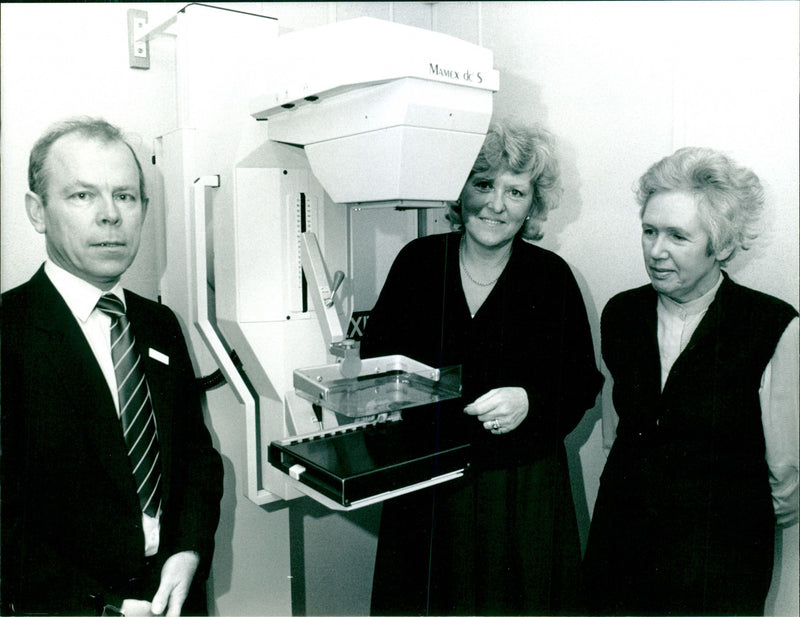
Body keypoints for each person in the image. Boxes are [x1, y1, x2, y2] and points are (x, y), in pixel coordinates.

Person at [361, 120, 602, 616]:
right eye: (483, 184)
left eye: (515, 191)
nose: (496, 204)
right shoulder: (418, 262)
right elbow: (376, 358)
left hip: (518, 492)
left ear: (532, 205)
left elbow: (581, 382)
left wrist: (530, 400)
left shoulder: (551, 278)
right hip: (425, 486)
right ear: (459, 190)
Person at [1, 117, 224, 616]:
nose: (110, 216)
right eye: (82, 196)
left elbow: (195, 458)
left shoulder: (158, 322)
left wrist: (187, 552)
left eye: (125, 196)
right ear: (37, 212)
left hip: (174, 595)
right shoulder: (8, 334)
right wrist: (103, 608)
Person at [582, 147, 799, 615]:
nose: (656, 250)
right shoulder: (620, 313)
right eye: (649, 231)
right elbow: (618, 432)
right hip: (621, 545)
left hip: (719, 559)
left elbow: (785, 479)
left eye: (678, 236)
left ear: (720, 245)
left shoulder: (773, 325)